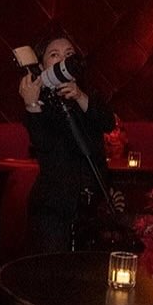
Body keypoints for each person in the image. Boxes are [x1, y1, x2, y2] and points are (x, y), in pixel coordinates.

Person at [18, 27, 116, 253]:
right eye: (55, 55)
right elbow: (44, 144)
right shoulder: (37, 102)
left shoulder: (87, 95)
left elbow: (107, 122)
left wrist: (80, 96)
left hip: (92, 207)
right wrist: (32, 105)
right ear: (42, 66)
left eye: (69, 54)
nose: (64, 60)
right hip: (54, 209)